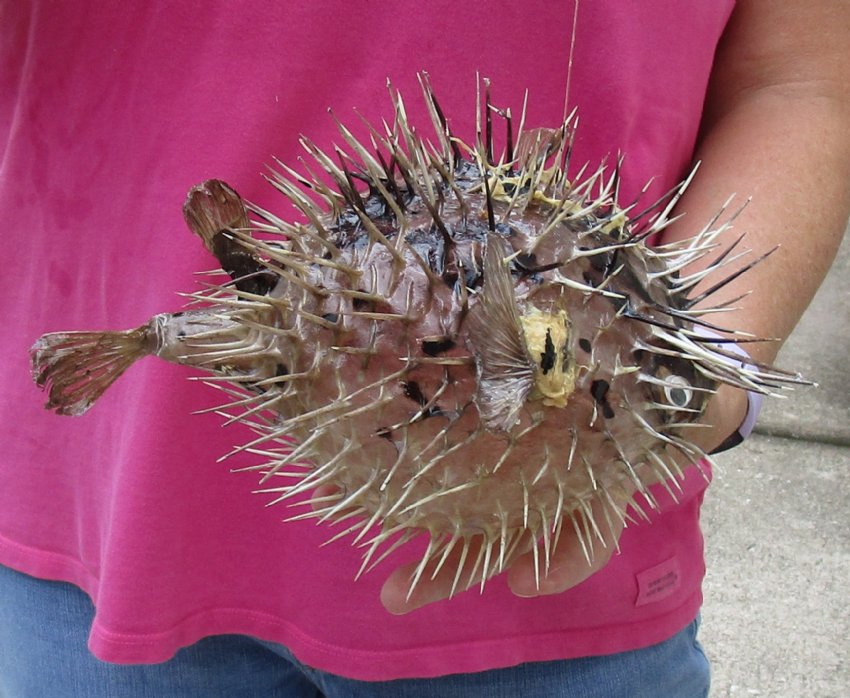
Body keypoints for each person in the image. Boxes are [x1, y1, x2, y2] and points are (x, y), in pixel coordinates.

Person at [0, 1, 847, 696]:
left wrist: (705, 377)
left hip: (567, 584)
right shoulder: (545, 362)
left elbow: (803, 78)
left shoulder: (577, 375)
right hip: (85, 526)